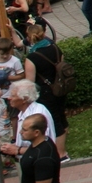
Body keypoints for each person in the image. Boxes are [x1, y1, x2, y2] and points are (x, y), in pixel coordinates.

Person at [22, 23, 70, 161]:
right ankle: (62, 148)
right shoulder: (55, 48)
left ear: (29, 38)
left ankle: (61, 153)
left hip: (45, 93)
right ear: (43, 34)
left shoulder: (32, 58)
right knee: (61, 117)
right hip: (59, 88)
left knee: (54, 121)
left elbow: (30, 82)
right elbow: (61, 66)